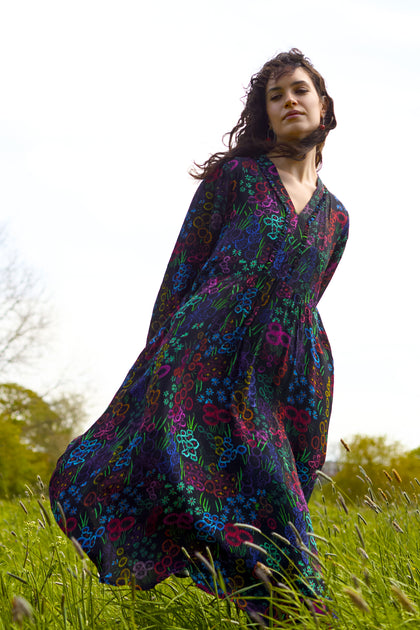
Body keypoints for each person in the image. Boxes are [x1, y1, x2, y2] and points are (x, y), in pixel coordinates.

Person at [49, 48, 349, 622]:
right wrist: (155, 359)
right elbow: (183, 268)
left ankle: (263, 602)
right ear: (265, 113)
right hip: (206, 351)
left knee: (276, 490)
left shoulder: (338, 218)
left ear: (323, 104)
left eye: (300, 90)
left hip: (285, 369)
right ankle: (302, 611)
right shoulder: (235, 179)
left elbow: (306, 300)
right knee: (209, 479)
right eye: (276, 94)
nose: (289, 100)